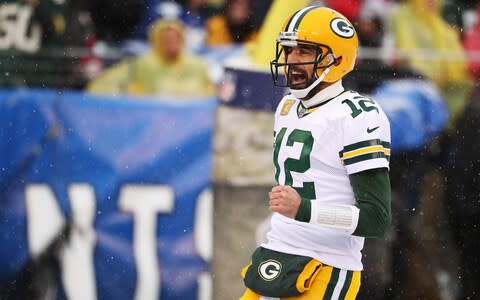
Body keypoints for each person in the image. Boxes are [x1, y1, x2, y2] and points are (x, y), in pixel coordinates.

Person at [240, 6, 391, 299]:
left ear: (337, 58)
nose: (291, 60)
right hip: (277, 253)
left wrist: (305, 209)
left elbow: (377, 217)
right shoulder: (286, 107)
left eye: (304, 51)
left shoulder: (357, 115)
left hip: (328, 264)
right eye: (288, 50)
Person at [86, 18, 215, 98]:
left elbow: (211, 92)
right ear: (156, 41)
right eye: (166, 40)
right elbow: (104, 85)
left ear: (182, 40)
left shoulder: (196, 64)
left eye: (175, 39)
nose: (171, 44)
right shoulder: (143, 63)